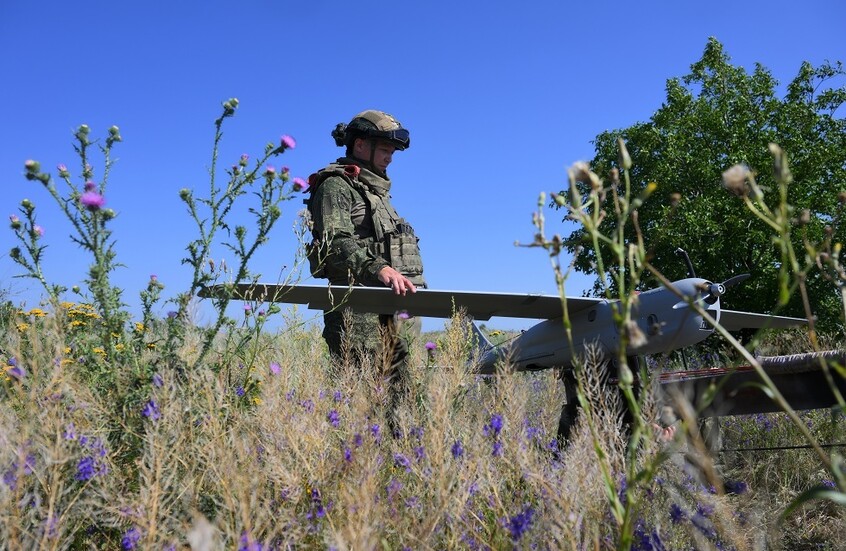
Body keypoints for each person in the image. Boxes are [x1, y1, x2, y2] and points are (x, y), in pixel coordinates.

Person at [305, 110, 425, 429]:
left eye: (391, 152)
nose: (389, 158)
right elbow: (336, 242)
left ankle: (400, 468)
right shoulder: (336, 185)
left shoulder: (376, 193)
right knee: (362, 400)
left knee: (405, 396)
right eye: (384, 150)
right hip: (357, 311)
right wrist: (379, 269)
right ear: (360, 145)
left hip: (394, 309)